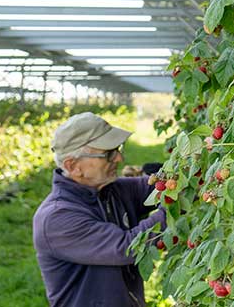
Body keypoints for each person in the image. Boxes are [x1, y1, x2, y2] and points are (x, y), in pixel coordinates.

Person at [33, 112, 166, 307]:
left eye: (117, 149)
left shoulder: (111, 190)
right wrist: (171, 210)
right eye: (108, 153)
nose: (119, 158)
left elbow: (158, 186)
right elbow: (126, 247)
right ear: (74, 166)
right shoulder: (57, 218)